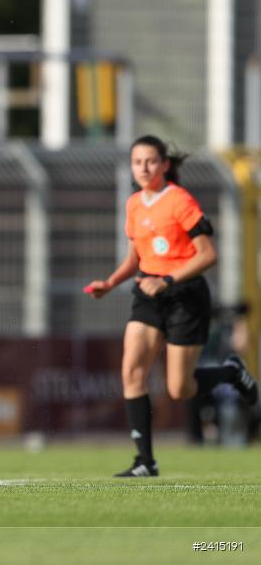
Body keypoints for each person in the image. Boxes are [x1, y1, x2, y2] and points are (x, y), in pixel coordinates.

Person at [86, 135, 258, 477]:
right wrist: (111, 282)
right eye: (138, 162)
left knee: (180, 389)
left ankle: (230, 372)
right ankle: (145, 461)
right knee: (132, 371)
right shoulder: (134, 203)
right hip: (148, 295)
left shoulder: (180, 201)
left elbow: (208, 254)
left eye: (151, 161)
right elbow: (136, 256)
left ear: (165, 165)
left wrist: (167, 281)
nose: (144, 168)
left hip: (185, 296)